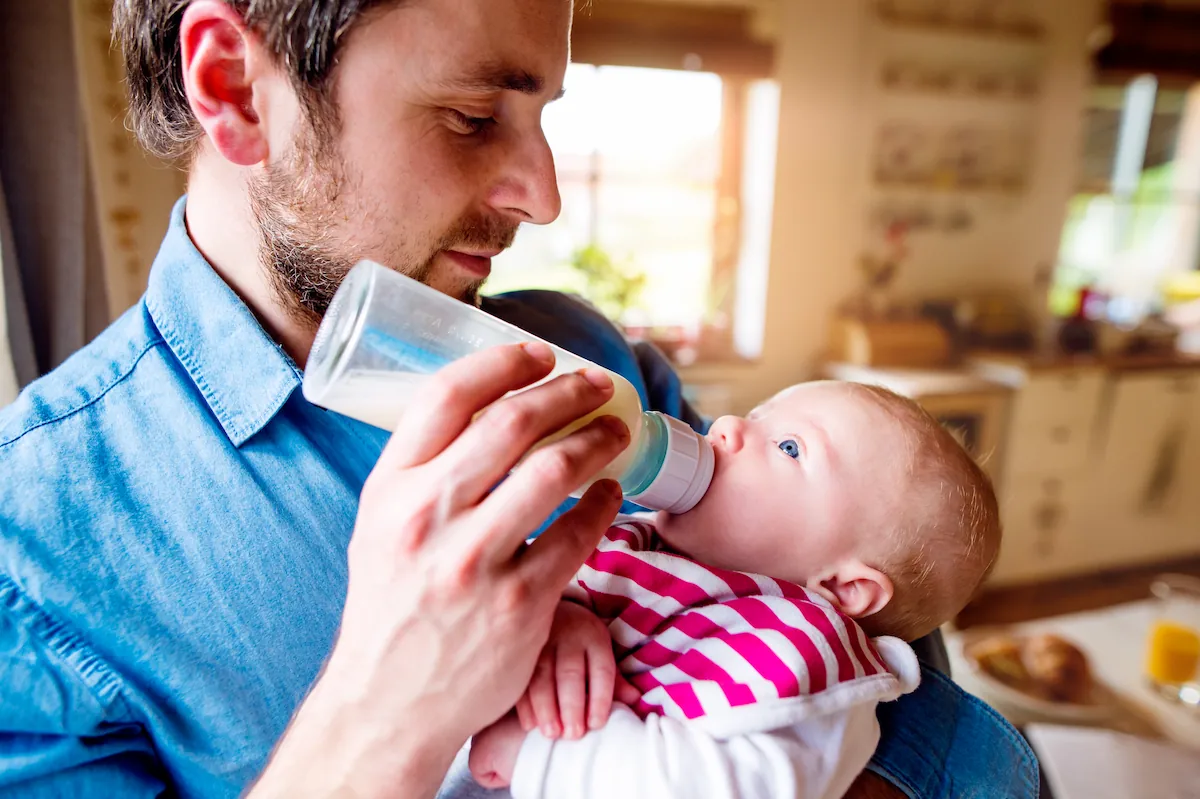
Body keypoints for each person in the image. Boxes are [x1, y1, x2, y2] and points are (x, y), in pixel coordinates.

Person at [0, 1, 1037, 797]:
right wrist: (378, 716)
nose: (541, 196)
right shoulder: (34, 553)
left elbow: (903, 689)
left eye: (540, 119)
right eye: (471, 115)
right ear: (234, 88)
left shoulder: (584, 354)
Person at [465, 381, 1001, 798]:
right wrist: (555, 608)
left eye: (790, 447)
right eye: (756, 416)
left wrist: (538, 755)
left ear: (840, 586)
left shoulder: (804, 667)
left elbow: (722, 789)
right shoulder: (627, 543)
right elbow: (470, 591)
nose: (725, 427)